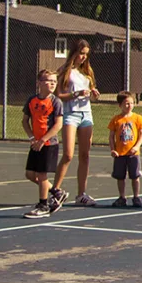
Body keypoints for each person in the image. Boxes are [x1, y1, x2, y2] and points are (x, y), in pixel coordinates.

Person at [52, 39, 100, 208]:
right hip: (70, 114)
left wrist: (93, 94)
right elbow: (58, 95)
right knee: (68, 155)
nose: (83, 57)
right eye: (81, 53)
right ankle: (55, 191)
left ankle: (81, 194)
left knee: (85, 155)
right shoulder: (65, 71)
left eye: (86, 54)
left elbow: (91, 94)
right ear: (73, 52)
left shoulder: (86, 72)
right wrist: (75, 94)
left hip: (86, 115)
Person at [22, 70, 64, 219]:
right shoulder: (32, 100)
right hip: (36, 143)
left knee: (42, 175)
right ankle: (56, 192)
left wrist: (43, 140)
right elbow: (25, 121)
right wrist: (32, 138)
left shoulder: (55, 102)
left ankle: (43, 205)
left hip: (49, 144)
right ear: (39, 82)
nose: (52, 83)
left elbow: (58, 125)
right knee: (30, 174)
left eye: (54, 81)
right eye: (48, 80)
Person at [107, 92, 142, 208]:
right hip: (120, 154)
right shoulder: (116, 120)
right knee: (120, 177)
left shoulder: (137, 118)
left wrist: (136, 147)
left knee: (135, 176)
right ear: (120, 105)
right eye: (126, 103)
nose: (129, 106)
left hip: (133, 154)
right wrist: (112, 149)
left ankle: (136, 197)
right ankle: (122, 197)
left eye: (131, 103)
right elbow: (111, 136)